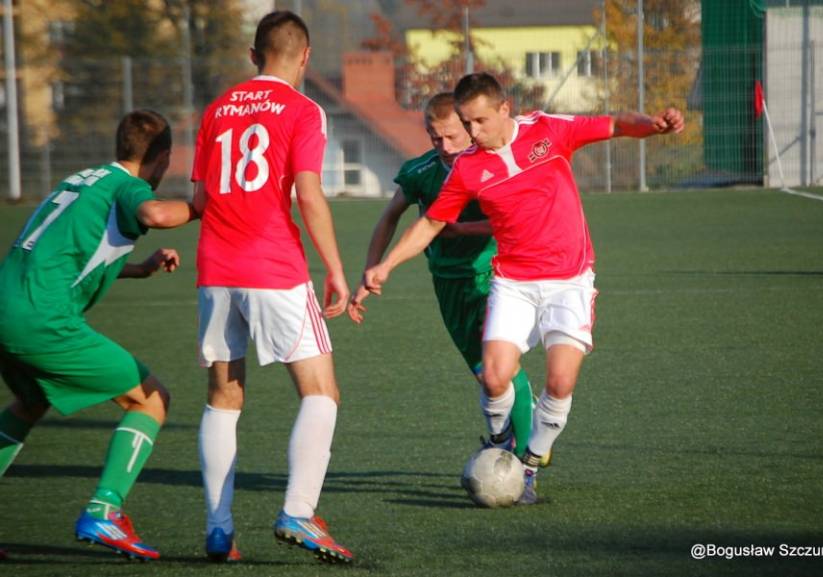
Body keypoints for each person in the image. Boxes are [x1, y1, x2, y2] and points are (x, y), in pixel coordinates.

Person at [355, 72, 684, 505]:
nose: (473, 132)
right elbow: (431, 223)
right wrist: (386, 266)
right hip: (513, 282)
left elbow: (614, 124)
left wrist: (653, 126)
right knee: (494, 378)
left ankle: (529, 465)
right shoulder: (468, 167)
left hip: (569, 279)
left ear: (504, 109)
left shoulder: (547, 130)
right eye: (466, 123)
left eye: (480, 121)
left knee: (560, 382)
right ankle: (499, 442)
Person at [0, 109, 199, 560]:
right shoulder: (129, 187)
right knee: (150, 398)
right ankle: (104, 510)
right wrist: (208, 205)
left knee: (30, 402)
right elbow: (156, 213)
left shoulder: (80, 180)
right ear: (163, 157)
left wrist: (139, 269)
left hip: (7, 306)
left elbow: (66, 253)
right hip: (42, 320)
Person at [192, 10, 352, 564]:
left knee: (223, 397)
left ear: (252, 55)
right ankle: (299, 511)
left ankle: (218, 530)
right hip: (273, 266)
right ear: (305, 57)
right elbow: (308, 192)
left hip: (215, 268)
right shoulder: (303, 109)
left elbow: (200, 200)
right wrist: (335, 268)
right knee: (321, 391)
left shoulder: (217, 109)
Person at [348, 92, 537, 458]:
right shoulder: (421, 172)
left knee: (501, 367)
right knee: (484, 373)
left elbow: (514, 221)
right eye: (436, 138)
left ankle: (527, 454)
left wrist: (461, 230)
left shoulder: (491, 165)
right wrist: (372, 268)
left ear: (468, 127)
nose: (445, 146)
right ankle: (512, 433)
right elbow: (389, 217)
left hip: (494, 275)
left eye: (452, 136)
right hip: (447, 282)